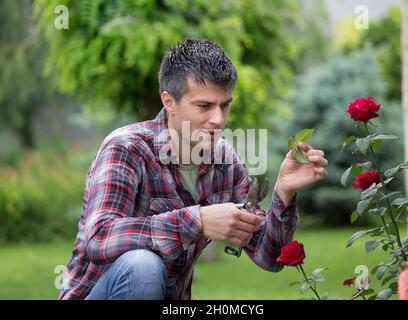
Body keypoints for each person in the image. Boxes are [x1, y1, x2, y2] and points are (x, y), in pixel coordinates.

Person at [58, 39, 328, 300]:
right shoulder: (127, 148)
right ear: (169, 101)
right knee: (143, 266)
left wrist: (284, 192)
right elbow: (99, 237)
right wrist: (197, 220)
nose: (218, 119)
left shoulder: (224, 161)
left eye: (225, 105)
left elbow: (269, 257)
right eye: (204, 106)